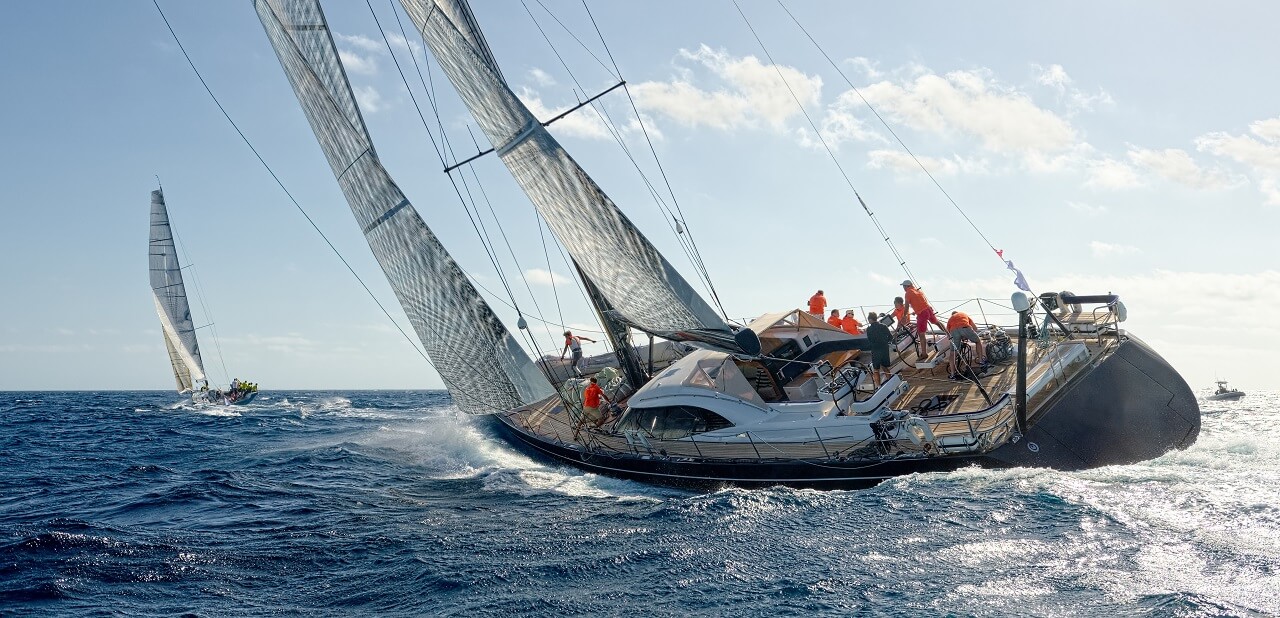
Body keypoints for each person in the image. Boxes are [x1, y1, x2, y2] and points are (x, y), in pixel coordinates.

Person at [902, 280, 946, 361]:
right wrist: (915, 311)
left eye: (903, 286)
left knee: (921, 333)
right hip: (928, 309)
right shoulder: (918, 291)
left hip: (922, 313)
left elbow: (907, 306)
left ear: (907, 286)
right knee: (936, 322)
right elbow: (921, 303)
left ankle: (924, 353)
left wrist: (904, 316)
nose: (903, 288)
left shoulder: (908, 293)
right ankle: (949, 334)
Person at [946, 310, 987, 377]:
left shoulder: (950, 319)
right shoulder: (963, 314)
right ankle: (981, 361)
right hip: (964, 326)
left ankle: (952, 374)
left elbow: (948, 333)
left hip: (953, 331)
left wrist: (960, 337)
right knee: (978, 341)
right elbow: (975, 328)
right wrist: (966, 335)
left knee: (952, 353)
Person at [865, 312, 893, 388]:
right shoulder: (884, 326)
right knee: (885, 367)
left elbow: (870, 340)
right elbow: (891, 337)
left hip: (875, 350)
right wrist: (884, 342)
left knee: (876, 369)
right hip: (884, 348)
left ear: (870, 319)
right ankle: (890, 384)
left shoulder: (869, 329)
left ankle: (878, 386)